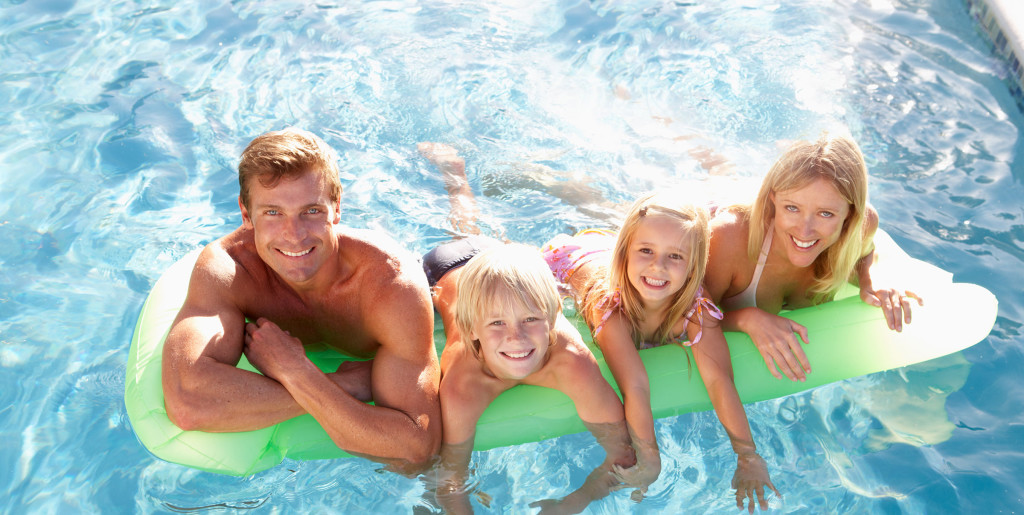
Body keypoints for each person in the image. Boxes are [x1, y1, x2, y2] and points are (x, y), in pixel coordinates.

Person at [161, 128, 441, 469]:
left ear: (336, 208)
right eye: (273, 213)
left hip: (439, 280)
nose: (294, 236)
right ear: (246, 214)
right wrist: (339, 384)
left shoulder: (389, 282)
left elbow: (416, 447)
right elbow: (188, 403)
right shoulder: (230, 269)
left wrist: (294, 370)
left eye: (311, 211)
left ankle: (454, 180)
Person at [419, 143, 635, 513]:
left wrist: (573, 503)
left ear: (552, 318)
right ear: (472, 331)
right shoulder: (461, 384)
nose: (515, 338)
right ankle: (454, 174)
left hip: (509, 269)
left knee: (476, 234)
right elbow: (449, 481)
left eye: (531, 321)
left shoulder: (571, 361)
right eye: (497, 326)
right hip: (447, 269)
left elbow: (624, 454)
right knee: (463, 231)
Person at [542, 193, 779, 513]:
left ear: (694, 265)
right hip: (567, 262)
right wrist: (650, 458)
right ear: (626, 254)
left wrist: (748, 455)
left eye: (676, 257)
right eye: (646, 252)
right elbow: (635, 384)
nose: (659, 267)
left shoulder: (696, 305)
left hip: (614, 246)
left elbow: (719, 379)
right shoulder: (610, 308)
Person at [704, 134, 922, 383]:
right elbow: (683, 317)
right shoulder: (727, 238)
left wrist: (869, 277)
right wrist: (746, 319)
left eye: (826, 214)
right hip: (725, 211)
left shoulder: (863, 225)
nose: (805, 231)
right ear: (774, 199)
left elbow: (866, 253)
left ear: (850, 214)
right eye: (792, 208)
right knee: (720, 172)